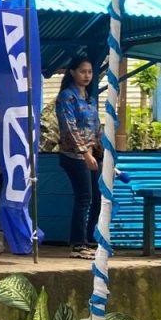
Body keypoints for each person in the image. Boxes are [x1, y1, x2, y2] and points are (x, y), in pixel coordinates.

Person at [56, 56, 101, 259]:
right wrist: (84, 153)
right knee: (84, 198)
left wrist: (99, 152)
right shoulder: (67, 97)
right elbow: (69, 127)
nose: (87, 75)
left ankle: (90, 239)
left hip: (92, 154)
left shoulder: (90, 99)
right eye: (82, 71)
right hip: (74, 155)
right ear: (72, 72)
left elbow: (96, 128)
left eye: (89, 72)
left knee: (97, 198)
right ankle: (78, 245)